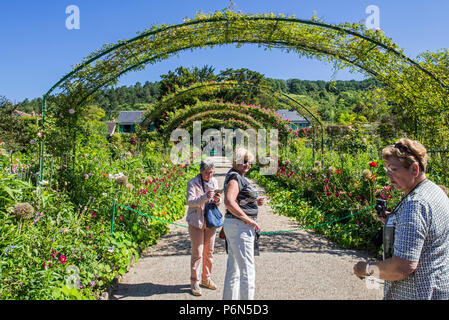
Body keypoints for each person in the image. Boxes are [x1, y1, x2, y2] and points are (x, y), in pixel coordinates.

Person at [353, 138, 449, 299]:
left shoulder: (416, 204)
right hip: (438, 289)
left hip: (416, 293)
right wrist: (396, 222)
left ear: (414, 169)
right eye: (387, 168)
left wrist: (366, 268)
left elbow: (402, 267)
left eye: (393, 168)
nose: (388, 174)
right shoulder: (434, 191)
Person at [222, 148, 265, 300]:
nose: (247, 164)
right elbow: (228, 201)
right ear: (237, 161)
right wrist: (247, 219)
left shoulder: (236, 176)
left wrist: (253, 201)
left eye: (249, 162)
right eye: (244, 161)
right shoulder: (235, 177)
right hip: (240, 227)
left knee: (233, 270)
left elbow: (238, 199)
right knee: (247, 271)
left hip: (235, 226)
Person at [186, 158, 222, 296]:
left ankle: (206, 279)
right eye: (207, 173)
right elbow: (190, 202)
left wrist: (217, 199)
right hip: (197, 222)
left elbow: (215, 203)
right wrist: (205, 197)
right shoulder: (192, 183)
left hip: (210, 221)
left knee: (209, 252)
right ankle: (194, 281)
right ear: (201, 171)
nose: (210, 176)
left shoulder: (214, 181)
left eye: (212, 172)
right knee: (198, 253)